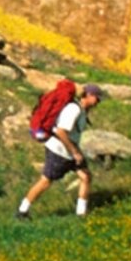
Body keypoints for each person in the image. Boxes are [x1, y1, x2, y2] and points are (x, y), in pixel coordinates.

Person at [18, 84, 99, 218]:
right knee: (46, 181)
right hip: (59, 151)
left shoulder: (82, 111)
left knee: (85, 176)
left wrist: (75, 152)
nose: (99, 102)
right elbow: (61, 131)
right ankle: (22, 210)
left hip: (70, 151)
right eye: (97, 98)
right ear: (89, 95)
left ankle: (81, 214)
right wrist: (74, 152)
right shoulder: (73, 109)